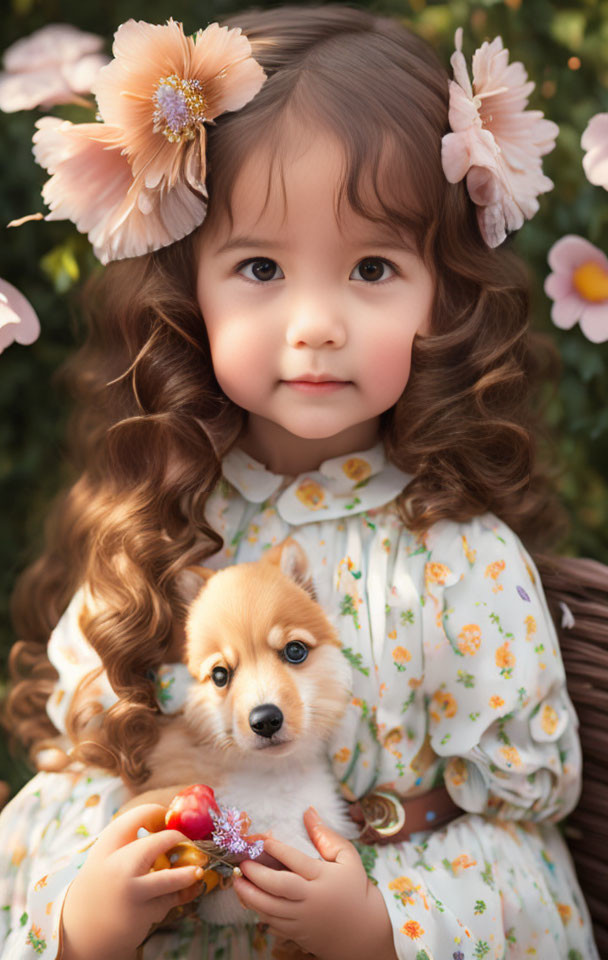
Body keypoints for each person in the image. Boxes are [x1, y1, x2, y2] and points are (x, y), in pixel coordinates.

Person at [0, 5, 600, 959]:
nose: (316, 322)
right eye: (262, 267)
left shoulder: (454, 555)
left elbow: (521, 821)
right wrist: (85, 917)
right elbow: (79, 778)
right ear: (188, 286)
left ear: (441, 292)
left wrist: (379, 926)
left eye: (371, 266)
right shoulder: (163, 529)